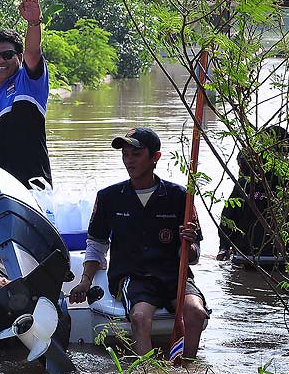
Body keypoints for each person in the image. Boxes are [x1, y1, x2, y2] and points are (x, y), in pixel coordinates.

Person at [68, 127, 208, 359]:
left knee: (196, 313)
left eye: (136, 154)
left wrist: (189, 243)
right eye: (125, 154)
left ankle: (188, 372)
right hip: (134, 276)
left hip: (174, 274)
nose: (129, 161)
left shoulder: (180, 197)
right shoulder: (109, 197)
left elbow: (194, 255)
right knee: (140, 317)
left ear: (155, 157)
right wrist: (85, 281)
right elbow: (96, 244)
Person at [0, 0, 51, 188]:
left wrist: (33, 22)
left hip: (33, 187)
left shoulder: (28, 82)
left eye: (7, 55)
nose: (0, 61)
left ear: (18, 57)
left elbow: (33, 53)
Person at [216, 125, 289, 261]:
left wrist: (224, 247)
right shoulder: (248, 179)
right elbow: (229, 216)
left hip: (277, 253)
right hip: (253, 253)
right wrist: (224, 247)